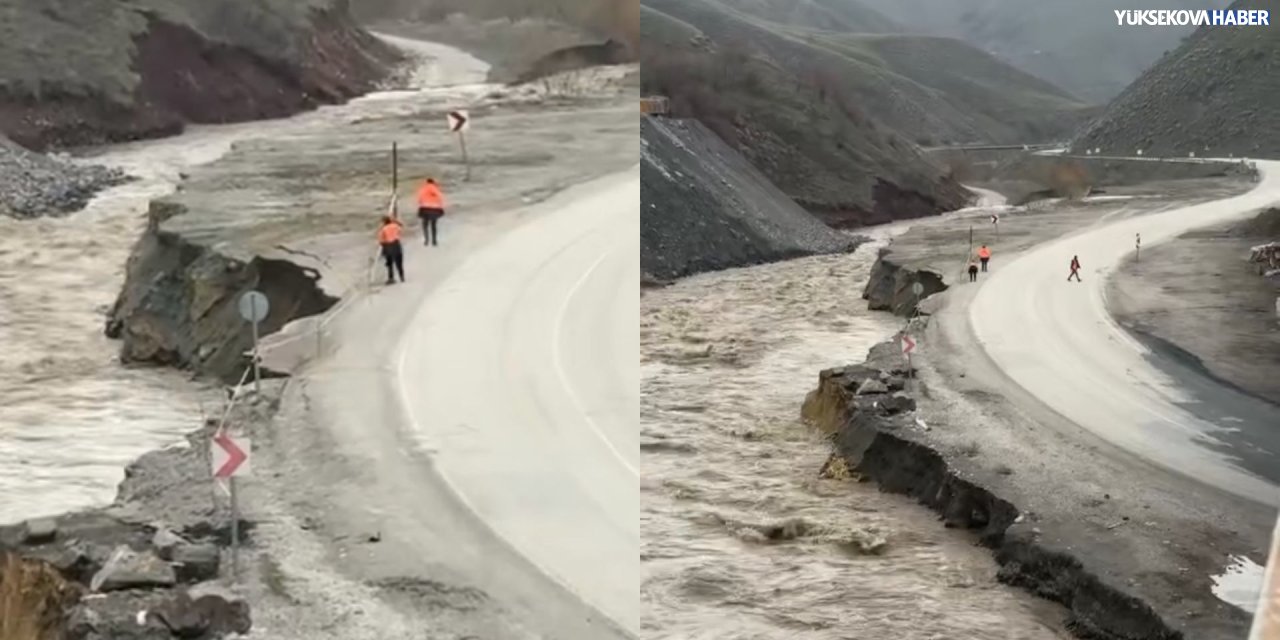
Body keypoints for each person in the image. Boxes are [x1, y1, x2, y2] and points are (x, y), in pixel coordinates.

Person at [416, 178, 446, 246]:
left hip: (425, 208)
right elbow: (440, 197)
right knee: (433, 225)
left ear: (426, 182)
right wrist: (441, 206)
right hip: (434, 209)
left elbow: (419, 198)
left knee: (425, 224)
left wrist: (420, 204)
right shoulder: (435, 188)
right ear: (433, 182)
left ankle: (426, 240)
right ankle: (434, 241)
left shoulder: (423, 189)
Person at [377, 215, 405, 284]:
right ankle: (402, 276)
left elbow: (381, 240)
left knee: (389, 263)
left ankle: (391, 278)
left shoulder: (383, 229)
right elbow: (401, 229)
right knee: (399, 262)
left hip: (388, 246)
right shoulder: (395, 226)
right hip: (396, 244)